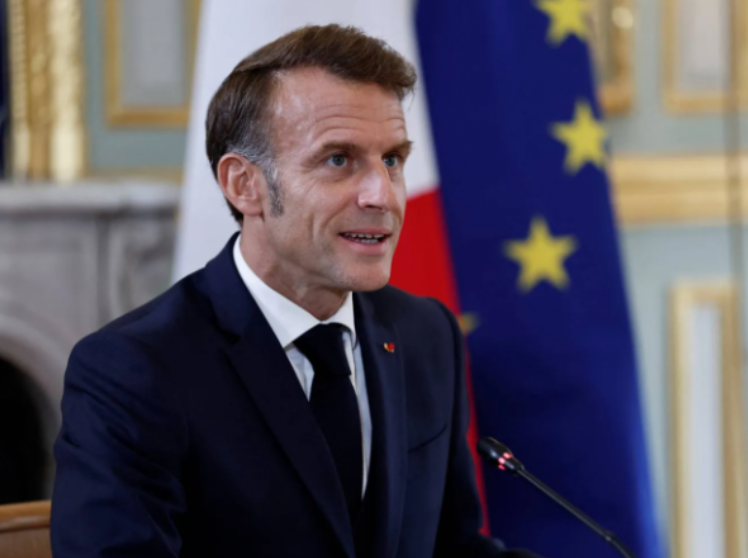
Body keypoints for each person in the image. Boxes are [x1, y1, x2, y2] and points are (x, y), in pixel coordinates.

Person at [51, 24, 540, 558]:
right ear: (244, 185)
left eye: (392, 160)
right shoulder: (134, 371)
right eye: (339, 159)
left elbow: (452, 549)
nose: (382, 195)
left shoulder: (426, 334)